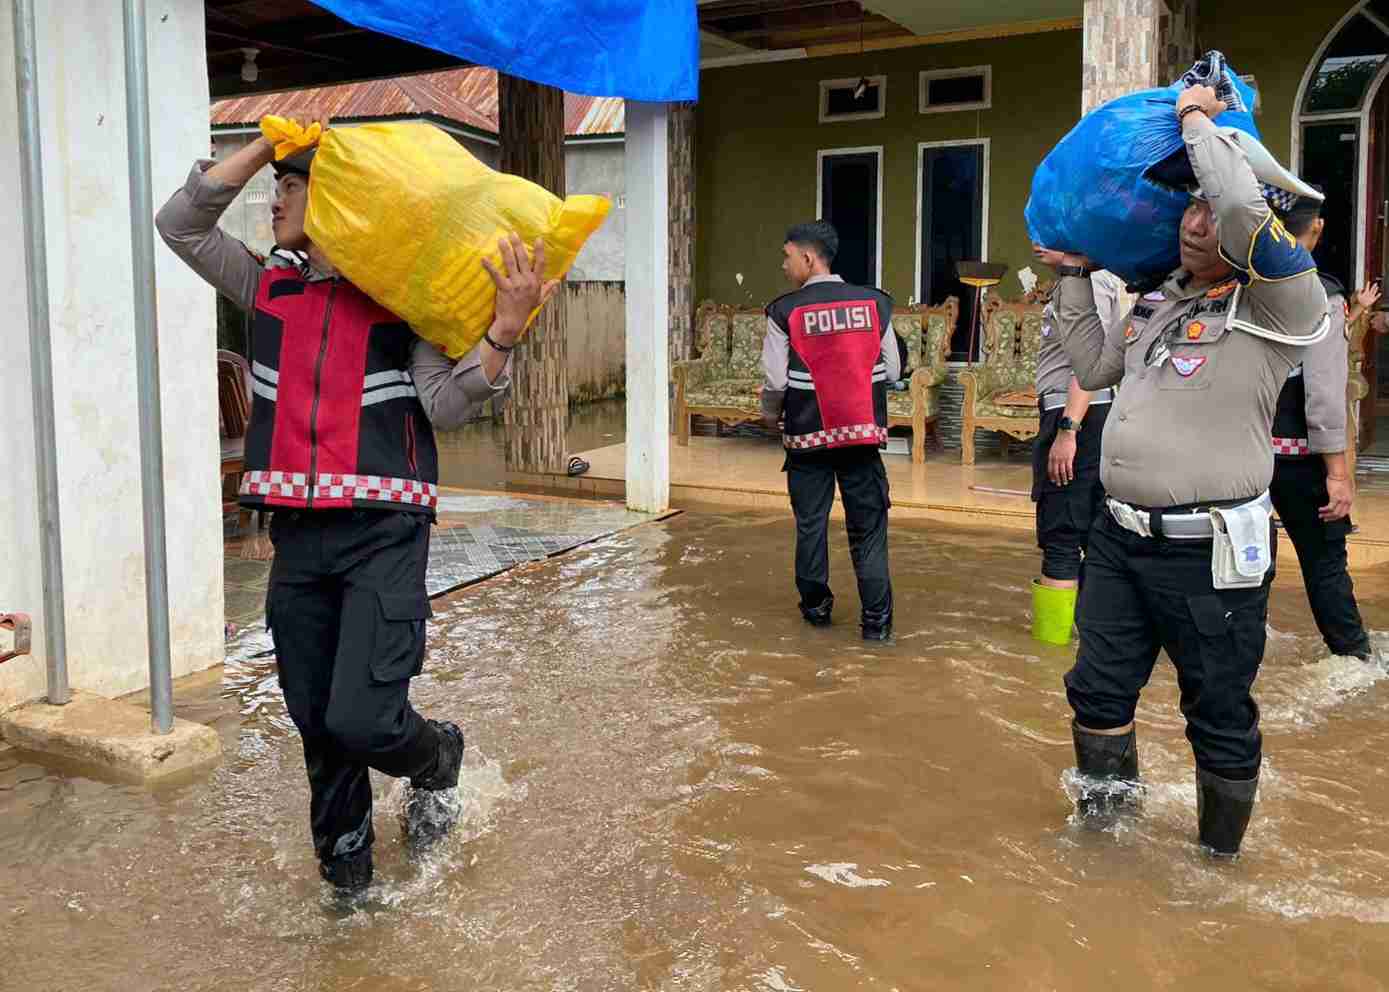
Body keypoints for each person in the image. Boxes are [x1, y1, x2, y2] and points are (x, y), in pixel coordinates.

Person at [155, 114, 558, 893]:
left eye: (293, 187)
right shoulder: (265, 288)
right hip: (299, 542)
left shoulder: (406, 303)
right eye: (277, 185)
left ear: (339, 204)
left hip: (384, 536)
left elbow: (444, 408)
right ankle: (349, 893)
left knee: (364, 720)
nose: (275, 201)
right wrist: (269, 146)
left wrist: (502, 334)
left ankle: (436, 757)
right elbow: (181, 223)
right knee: (319, 727)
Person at [1042, 83, 1330, 859]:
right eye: (1188, 209)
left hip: (1208, 554)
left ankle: (1214, 869)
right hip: (1117, 539)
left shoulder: (1282, 302)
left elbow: (1240, 208)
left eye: (1210, 208)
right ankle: (1102, 842)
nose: (1197, 223)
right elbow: (1095, 368)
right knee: (1097, 691)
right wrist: (1073, 274)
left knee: (1216, 710)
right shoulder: (1159, 303)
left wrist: (1197, 120)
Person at [760, 221, 899, 641]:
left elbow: (777, 383)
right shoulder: (876, 304)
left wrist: (770, 415)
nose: (784, 266)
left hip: (806, 440)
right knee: (869, 530)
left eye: (787, 257)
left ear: (808, 257)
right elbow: (891, 370)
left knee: (811, 525)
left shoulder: (784, 310)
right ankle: (876, 626)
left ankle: (817, 613)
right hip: (861, 439)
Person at [1266, 192, 1375, 662]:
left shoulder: (1244, 286)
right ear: (1317, 229)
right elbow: (1325, 393)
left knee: (1245, 563)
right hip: (1299, 459)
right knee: (1325, 563)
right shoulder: (1321, 296)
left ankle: (1244, 648)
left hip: (1242, 456)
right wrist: (1337, 471)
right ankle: (1355, 661)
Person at [1027, 262, 1126, 644]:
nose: (1039, 241)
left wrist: (1068, 429)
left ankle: (1050, 652)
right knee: (1089, 530)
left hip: (1079, 417)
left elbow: (1091, 361)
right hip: (1081, 415)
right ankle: (1093, 636)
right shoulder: (1077, 283)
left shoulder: (1093, 283)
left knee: (1062, 531)